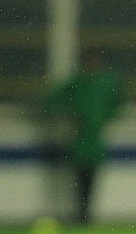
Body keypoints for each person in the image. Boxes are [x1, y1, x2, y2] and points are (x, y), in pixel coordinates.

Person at [44, 47, 124, 224]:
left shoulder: (106, 82)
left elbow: (118, 104)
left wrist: (105, 117)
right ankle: (80, 214)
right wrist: (70, 114)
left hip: (95, 141)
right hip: (80, 141)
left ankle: (86, 214)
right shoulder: (77, 82)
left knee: (92, 180)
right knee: (79, 179)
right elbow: (52, 100)